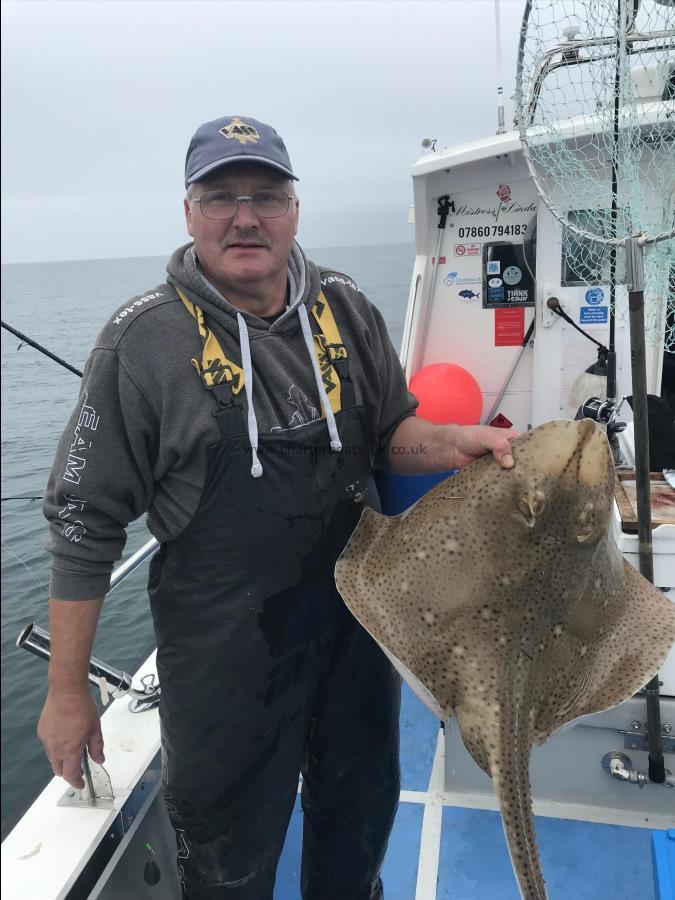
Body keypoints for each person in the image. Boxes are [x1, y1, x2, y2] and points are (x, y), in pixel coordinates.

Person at [37, 115, 515, 900]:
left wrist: (448, 443)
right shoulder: (143, 343)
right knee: (229, 859)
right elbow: (85, 522)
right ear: (188, 212)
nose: (245, 216)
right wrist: (66, 693)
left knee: (357, 823)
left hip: (361, 629)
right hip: (226, 657)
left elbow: (391, 431)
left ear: (295, 209)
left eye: (266, 195)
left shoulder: (348, 307)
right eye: (220, 196)